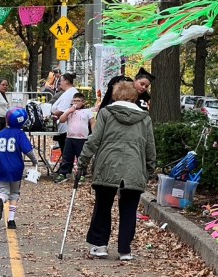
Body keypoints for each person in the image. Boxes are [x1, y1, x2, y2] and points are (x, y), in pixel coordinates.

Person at [78, 81, 156, 261]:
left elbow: (94, 140)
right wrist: (149, 168)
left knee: (103, 206)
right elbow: (150, 146)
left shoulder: (106, 113)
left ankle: (100, 245)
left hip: (107, 165)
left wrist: (83, 161)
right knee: (129, 209)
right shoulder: (144, 118)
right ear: (134, 96)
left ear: (115, 96)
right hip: (134, 167)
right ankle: (124, 249)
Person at [0, 108, 38, 230]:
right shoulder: (20, 134)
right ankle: (11, 220)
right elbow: (28, 150)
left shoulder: (0, 134)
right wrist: (35, 161)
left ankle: (0, 199)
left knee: (3, 190)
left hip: (0, 167)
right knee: (14, 193)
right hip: (16, 168)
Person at [54, 92, 95, 183]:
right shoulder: (69, 111)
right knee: (67, 157)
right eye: (74, 101)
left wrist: (93, 133)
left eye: (78, 101)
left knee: (81, 157)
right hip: (70, 137)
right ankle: (63, 173)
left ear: (83, 102)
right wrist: (69, 111)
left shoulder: (87, 112)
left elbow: (92, 123)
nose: (75, 103)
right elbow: (61, 119)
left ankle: (82, 174)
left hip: (82, 138)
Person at [50, 72, 79, 168]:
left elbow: (62, 110)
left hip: (66, 126)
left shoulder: (70, 93)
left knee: (66, 150)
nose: (59, 84)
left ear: (66, 81)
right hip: (64, 125)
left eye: (60, 81)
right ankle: (65, 167)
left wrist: (51, 114)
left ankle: (66, 169)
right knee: (64, 149)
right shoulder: (68, 92)